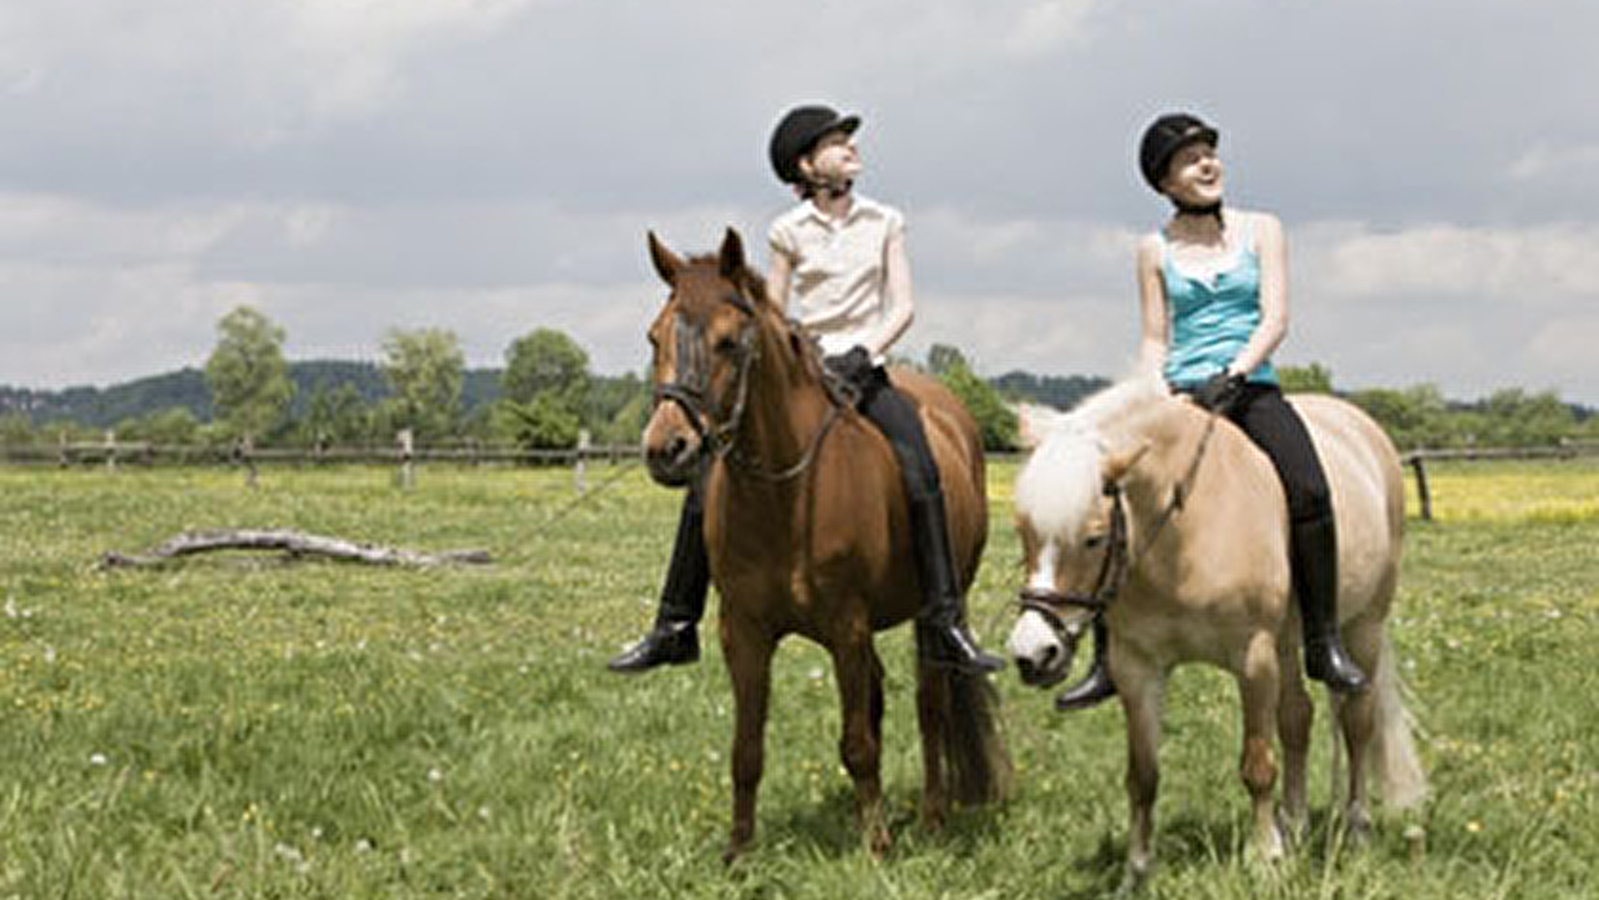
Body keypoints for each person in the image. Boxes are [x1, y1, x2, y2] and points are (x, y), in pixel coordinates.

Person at [609, 104, 1004, 675]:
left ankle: (945, 620)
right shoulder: (786, 231)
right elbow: (776, 309)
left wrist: (864, 350)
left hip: (868, 369)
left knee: (919, 468)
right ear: (806, 164)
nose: (851, 148)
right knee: (707, 483)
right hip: (808, 369)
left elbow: (903, 306)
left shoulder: (885, 221)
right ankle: (674, 622)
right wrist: (800, 356)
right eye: (837, 142)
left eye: (848, 140)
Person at [1056, 112, 1367, 711]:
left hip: (1249, 387)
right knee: (1109, 500)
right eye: (1189, 159)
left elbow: (1275, 317)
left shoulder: (1263, 230)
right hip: (1178, 394)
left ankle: (1323, 640)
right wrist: (1156, 391)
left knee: (1308, 489)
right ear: (1165, 182)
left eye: (1209, 153)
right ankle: (1105, 658)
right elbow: (1154, 335)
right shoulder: (1153, 249)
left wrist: (1237, 373)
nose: (1207, 164)